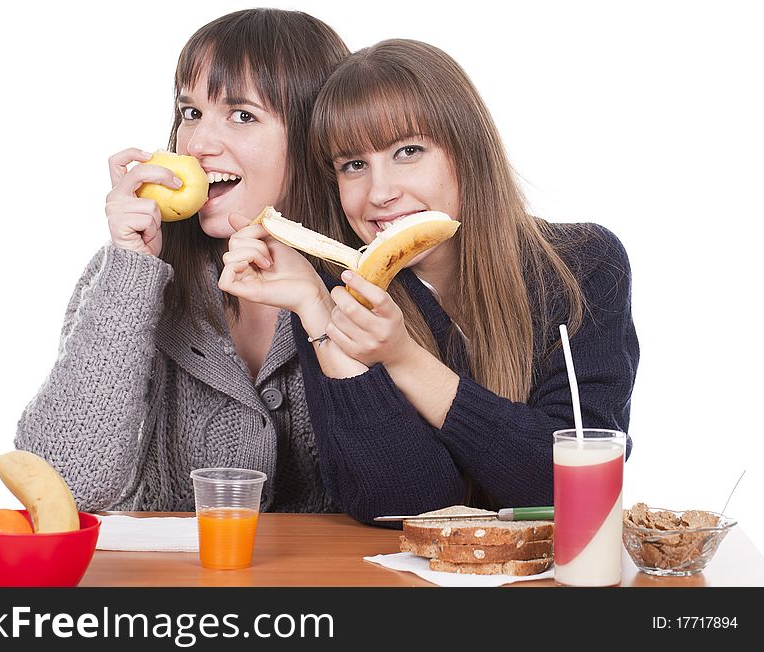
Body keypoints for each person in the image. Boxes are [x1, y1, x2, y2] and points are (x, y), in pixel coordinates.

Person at [219, 39, 640, 524]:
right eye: (354, 165)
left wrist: (402, 358)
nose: (380, 193)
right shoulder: (337, 293)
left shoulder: (582, 265)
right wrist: (316, 307)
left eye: (408, 151)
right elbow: (404, 507)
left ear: (468, 151)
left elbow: (574, 486)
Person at [14, 9, 350, 514]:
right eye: (191, 113)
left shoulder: (367, 278)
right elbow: (62, 489)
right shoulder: (128, 276)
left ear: (314, 133)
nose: (196, 145)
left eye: (242, 115)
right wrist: (131, 269)